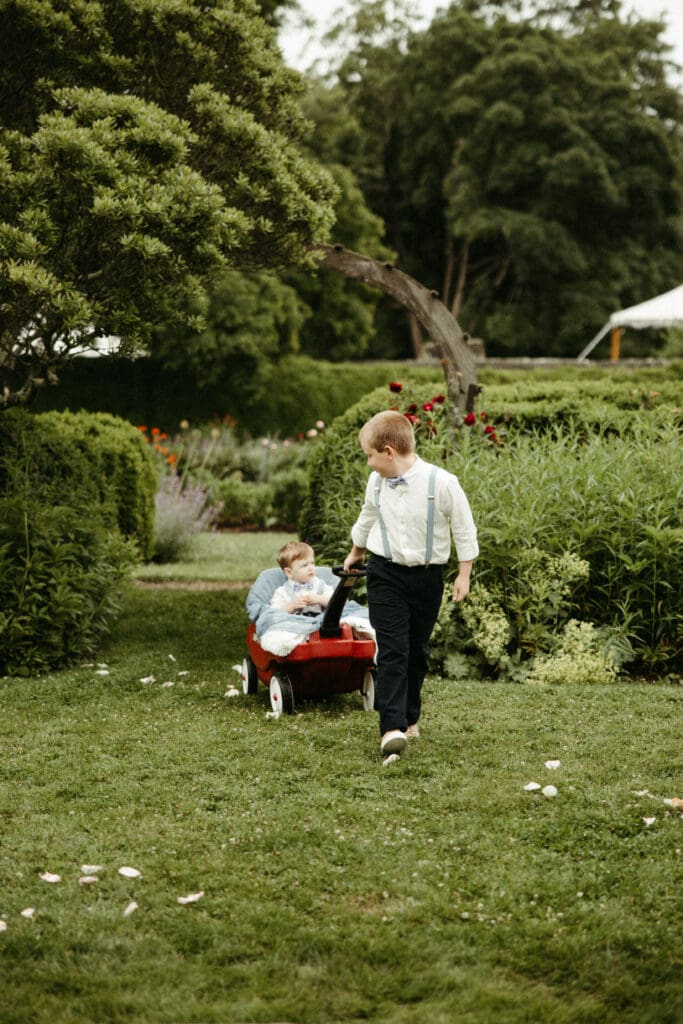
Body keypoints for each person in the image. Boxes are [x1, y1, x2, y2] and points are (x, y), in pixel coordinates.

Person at [343, 410, 478, 760]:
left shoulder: (442, 482)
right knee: (393, 650)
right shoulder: (376, 483)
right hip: (385, 572)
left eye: (370, 455)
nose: (368, 463)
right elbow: (367, 516)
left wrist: (464, 574)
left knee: (417, 651)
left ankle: (410, 716)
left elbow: (463, 529)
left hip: (428, 577)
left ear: (389, 452)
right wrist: (355, 553)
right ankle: (391, 728)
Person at [271, 540, 334, 616]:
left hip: (319, 623)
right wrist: (292, 607)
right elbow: (274, 614)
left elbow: (335, 603)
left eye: (312, 563)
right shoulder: (282, 592)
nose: (311, 568)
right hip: (294, 624)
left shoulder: (321, 585)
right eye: (305, 565)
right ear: (289, 572)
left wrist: (320, 599)